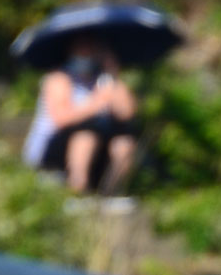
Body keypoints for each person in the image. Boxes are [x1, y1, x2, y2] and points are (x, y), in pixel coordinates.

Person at [20, 35, 140, 195]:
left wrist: (112, 73)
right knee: (86, 136)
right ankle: (77, 190)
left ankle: (111, 193)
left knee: (123, 141)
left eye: (93, 48)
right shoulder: (59, 79)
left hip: (97, 151)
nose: (88, 52)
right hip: (54, 149)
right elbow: (61, 119)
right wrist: (95, 104)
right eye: (83, 47)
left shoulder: (105, 81)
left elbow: (127, 114)